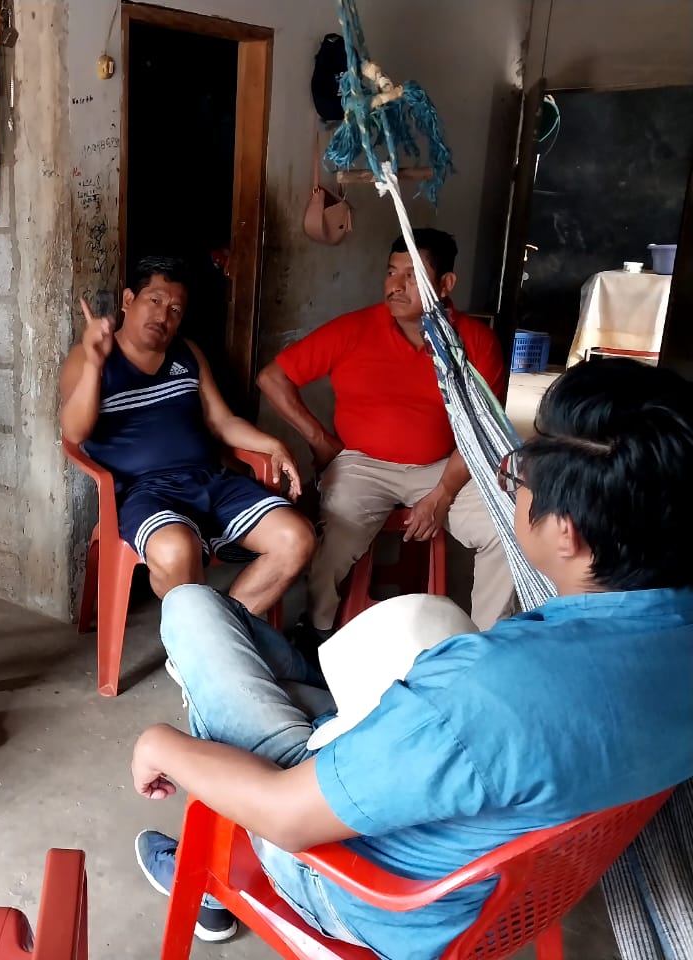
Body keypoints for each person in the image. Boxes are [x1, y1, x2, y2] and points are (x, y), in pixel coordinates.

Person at [131, 357, 693, 957]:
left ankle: (209, 867)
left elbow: (286, 815)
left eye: (523, 474)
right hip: (506, 889)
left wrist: (160, 746)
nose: (514, 482)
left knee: (191, 609)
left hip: (367, 892)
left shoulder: (488, 689)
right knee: (267, 651)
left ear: (567, 533)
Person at [258, 228, 512, 644]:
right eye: (392, 272)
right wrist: (319, 439)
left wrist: (443, 494)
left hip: (445, 466)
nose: (395, 285)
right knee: (337, 527)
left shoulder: (475, 343)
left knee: (506, 527)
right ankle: (317, 630)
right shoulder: (354, 329)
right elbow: (272, 378)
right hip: (363, 464)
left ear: (445, 284)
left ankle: (488, 645)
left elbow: (481, 430)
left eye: (412, 275)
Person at [60, 256, 314, 617]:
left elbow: (222, 422)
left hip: (211, 481)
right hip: (143, 492)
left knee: (296, 538)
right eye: (155, 300)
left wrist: (273, 444)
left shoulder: (188, 354)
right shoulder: (85, 359)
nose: (163, 316)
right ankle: (208, 637)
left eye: (175, 310)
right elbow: (74, 432)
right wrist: (94, 364)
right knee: (177, 551)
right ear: (129, 300)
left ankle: (221, 629)